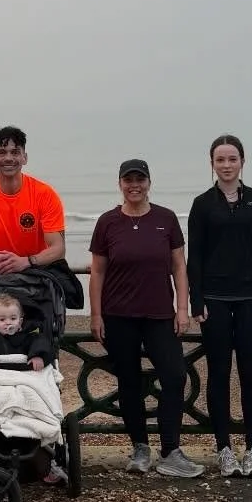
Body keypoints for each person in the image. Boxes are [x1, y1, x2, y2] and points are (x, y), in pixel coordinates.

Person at [89, 159, 201, 479]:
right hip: (118, 315)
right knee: (129, 381)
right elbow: (97, 271)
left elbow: (179, 266)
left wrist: (183, 308)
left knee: (175, 376)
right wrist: (95, 315)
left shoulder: (165, 219)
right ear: (120, 184)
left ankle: (170, 450)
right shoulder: (108, 222)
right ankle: (139, 447)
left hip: (160, 314)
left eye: (140, 179)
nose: (134, 185)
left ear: (149, 182)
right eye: (128, 180)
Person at [186, 135, 252, 478]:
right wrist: (197, 299)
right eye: (220, 159)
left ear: (242, 162)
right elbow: (196, 256)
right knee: (219, 374)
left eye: (232, 159)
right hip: (215, 301)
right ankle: (224, 448)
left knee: (251, 373)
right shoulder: (202, 203)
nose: (226, 165)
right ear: (212, 163)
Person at [0, 126, 67, 273]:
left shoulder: (45, 194)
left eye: (15, 152)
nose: (8, 158)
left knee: (71, 290)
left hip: (35, 270)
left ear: (25, 158)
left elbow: (58, 249)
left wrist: (26, 261)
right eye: (2, 152)